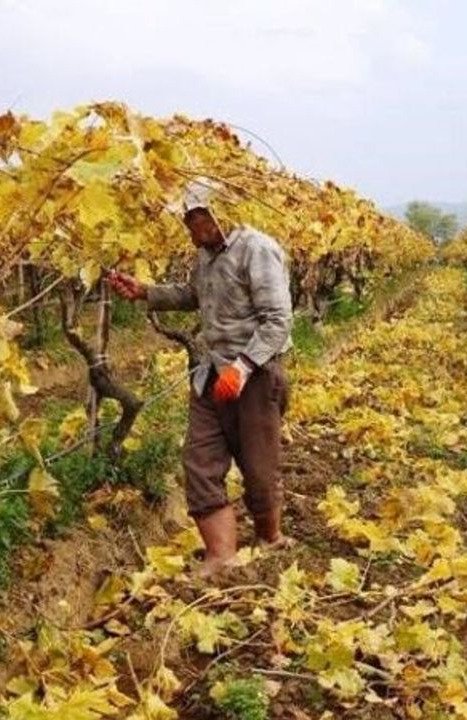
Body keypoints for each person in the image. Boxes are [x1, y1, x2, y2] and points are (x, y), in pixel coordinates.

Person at [106, 181, 293, 578]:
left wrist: (242, 368)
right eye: (186, 219)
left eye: (197, 217)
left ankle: (270, 538)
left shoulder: (255, 249)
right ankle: (221, 554)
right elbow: (195, 295)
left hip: (256, 373)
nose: (190, 227)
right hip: (212, 373)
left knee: (258, 466)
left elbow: (278, 321)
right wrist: (145, 293)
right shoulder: (206, 257)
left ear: (219, 213)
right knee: (200, 460)